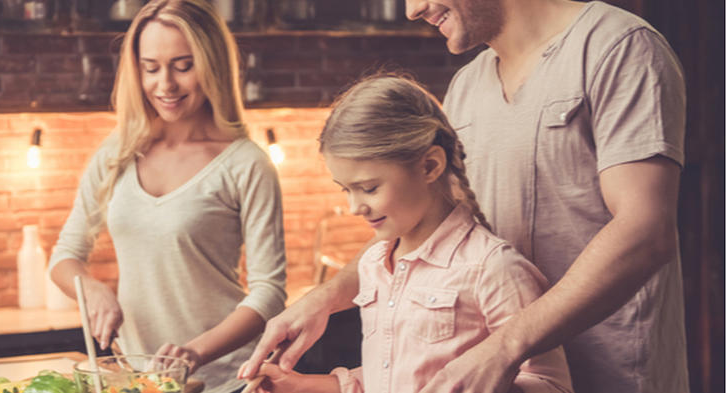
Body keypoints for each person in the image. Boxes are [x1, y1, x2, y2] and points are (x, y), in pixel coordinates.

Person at [239, 1, 688, 392]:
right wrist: (326, 298)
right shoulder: (467, 87)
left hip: (615, 377)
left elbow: (644, 230)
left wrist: (503, 348)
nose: (412, 9)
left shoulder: (617, 47)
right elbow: (429, 234)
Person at [245, 75, 575, 393]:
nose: (354, 207)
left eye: (369, 188)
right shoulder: (373, 265)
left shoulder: (493, 269)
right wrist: (301, 386)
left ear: (430, 166)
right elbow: (387, 380)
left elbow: (550, 384)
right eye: (346, 189)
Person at [48, 1, 287, 392]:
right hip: (140, 379)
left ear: (212, 64)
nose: (165, 85)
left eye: (183, 65)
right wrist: (91, 290)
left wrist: (194, 353)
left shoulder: (247, 163)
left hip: (227, 380)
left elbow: (269, 293)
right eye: (151, 67)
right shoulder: (117, 153)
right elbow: (65, 256)